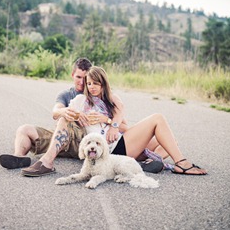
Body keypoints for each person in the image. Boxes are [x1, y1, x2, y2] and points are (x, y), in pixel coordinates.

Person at [64, 66, 207, 176]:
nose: (92, 87)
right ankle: (181, 163)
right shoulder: (82, 101)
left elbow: (126, 128)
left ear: (103, 84)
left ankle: (148, 162)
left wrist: (108, 121)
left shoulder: (111, 103)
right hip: (112, 148)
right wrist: (77, 116)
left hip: (122, 142)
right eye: (89, 84)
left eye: (96, 83)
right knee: (157, 118)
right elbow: (64, 114)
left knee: (170, 142)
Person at [0, 57, 93, 170]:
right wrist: (64, 111)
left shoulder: (95, 92)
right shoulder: (66, 94)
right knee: (24, 129)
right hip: (61, 139)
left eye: (85, 78)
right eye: (78, 77)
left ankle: (47, 162)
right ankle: (19, 157)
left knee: (64, 120)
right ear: (72, 74)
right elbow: (55, 111)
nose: (82, 82)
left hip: (82, 141)